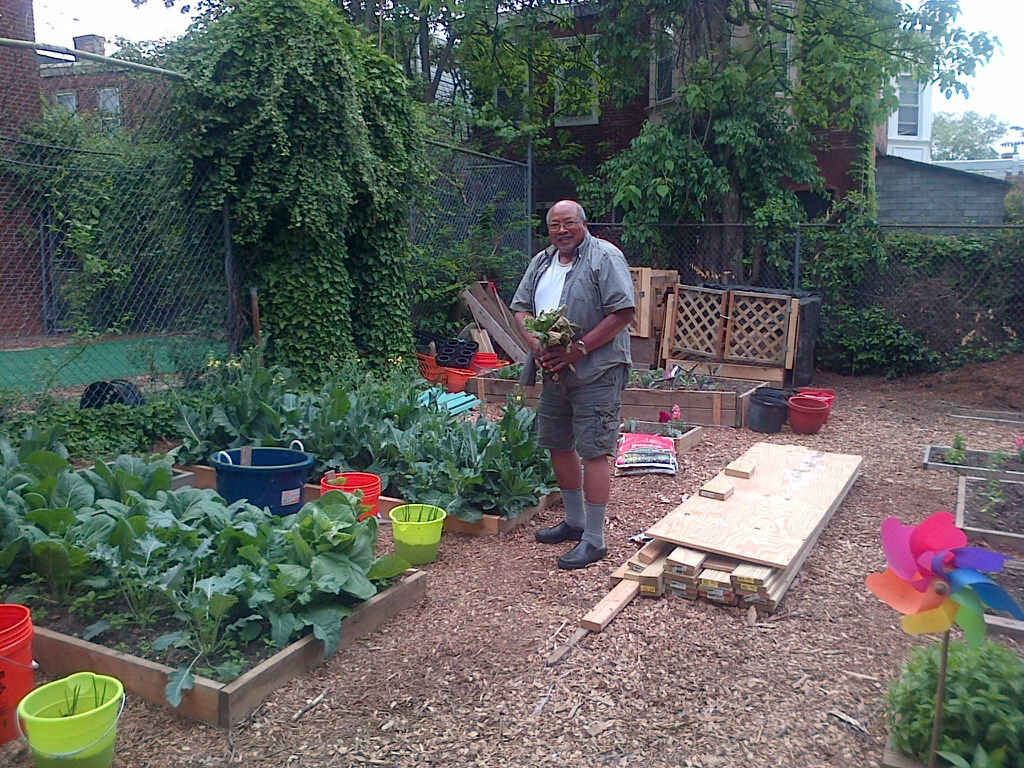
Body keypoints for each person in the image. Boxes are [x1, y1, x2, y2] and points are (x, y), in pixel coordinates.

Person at [511, 200, 635, 569]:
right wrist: (536, 344)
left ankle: (595, 540)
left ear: (583, 224)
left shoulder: (605, 257)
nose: (561, 231)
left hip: (597, 369)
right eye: (553, 225)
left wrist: (578, 349)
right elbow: (520, 308)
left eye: (568, 223)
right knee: (557, 443)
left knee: (594, 448)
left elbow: (623, 312)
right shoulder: (542, 261)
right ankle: (575, 520)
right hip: (554, 368)